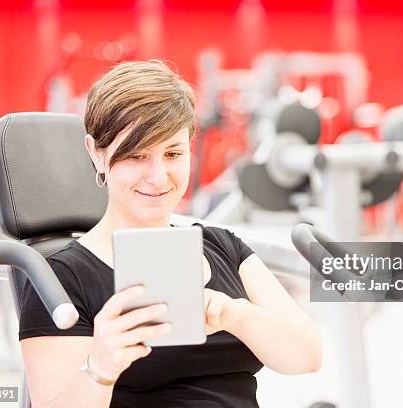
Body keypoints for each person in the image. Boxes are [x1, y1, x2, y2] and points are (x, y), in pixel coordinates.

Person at [19, 60, 322, 408]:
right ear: (96, 153)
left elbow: (307, 356)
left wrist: (234, 315)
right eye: (137, 156)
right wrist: (100, 367)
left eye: (173, 153)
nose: (159, 176)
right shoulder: (61, 278)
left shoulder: (222, 247)